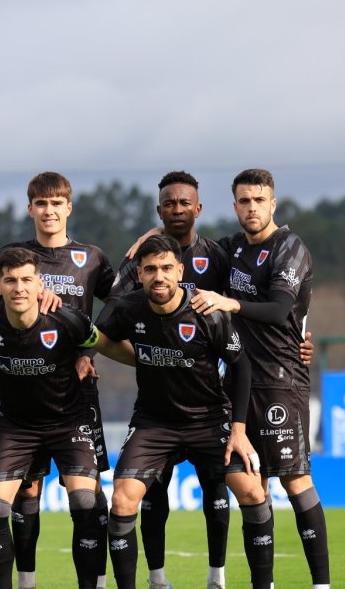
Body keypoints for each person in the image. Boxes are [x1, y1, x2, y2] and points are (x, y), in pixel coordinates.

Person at [96, 235, 273, 589]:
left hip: (210, 420)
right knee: (122, 498)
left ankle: (263, 585)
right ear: (141, 275)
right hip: (153, 423)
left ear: (180, 271)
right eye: (149, 270)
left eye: (165, 268)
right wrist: (88, 361)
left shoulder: (208, 312)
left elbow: (241, 368)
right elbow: (97, 337)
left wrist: (238, 430)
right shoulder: (128, 309)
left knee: (253, 492)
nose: (158, 277)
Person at [190, 168, 330, 589]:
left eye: (259, 200)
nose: (252, 208)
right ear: (234, 206)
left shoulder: (289, 247)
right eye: (244, 201)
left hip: (280, 379)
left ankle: (321, 584)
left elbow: (276, 310)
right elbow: (182, 259)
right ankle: (261, 584)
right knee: (250, 485)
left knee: (294, 479)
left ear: (273, 203)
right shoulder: (231, 249)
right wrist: (146, 239)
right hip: (235, 381)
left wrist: (228, 303)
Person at [0, 247, 121, 589]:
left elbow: (106, 344)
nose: (19, 287)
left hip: (69, 422)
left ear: (40, 285)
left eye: (26, 280)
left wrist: (140, 360)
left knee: (84, 500)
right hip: (17, 427)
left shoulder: (69, 320)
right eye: (10, 281)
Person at [108, 171, 231, 589]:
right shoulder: (141, 261)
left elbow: (246, 301)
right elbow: (110, 309)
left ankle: (220, 576)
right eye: (168, 204)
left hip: (209, 403)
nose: (177, 210)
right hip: (157, 412)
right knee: (147, 493)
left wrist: (297, 334)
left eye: (184, 203)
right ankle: (156, 579)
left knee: (226, 489)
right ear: (159, 210)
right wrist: (140, 356)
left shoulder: (218, 255)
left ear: (198, 208)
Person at [0, 172, 115, 589]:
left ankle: (95, 582)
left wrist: (88, 350)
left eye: (56, 203)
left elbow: (119, 306)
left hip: (76, 394)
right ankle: (26, 581)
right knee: (27, 494)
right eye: (41, 204)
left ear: (69, 208)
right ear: (30, 209)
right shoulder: (14, 258)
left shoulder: (92, 258)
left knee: (85, 493)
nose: (49, 211)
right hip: (24, 396)